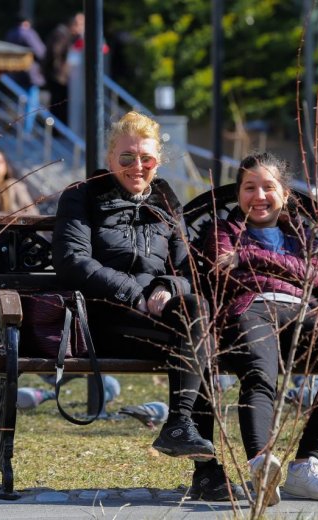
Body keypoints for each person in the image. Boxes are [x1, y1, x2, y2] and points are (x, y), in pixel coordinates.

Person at [52, 112, 242, 500]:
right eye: (127, 158)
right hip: (103, 319)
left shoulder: (165, 197)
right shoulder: (81, 195)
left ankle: (180, 428)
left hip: (160, 322)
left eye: (146, 159)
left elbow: (187, 265)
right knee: (198, 336)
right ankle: (204, 468)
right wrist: (133, 292)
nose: (137, 167)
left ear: (157, 162)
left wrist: (169, 286)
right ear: (110, 158)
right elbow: (73, 261)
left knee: (197, 314)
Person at [201, 152, 318, 504]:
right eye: (249, 187)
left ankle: (306, 464)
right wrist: (283, 268)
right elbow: (222, 272)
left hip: (298, 314)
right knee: (260, 371)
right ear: (237, 193)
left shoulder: (300, 232)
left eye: (268, 187)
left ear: (285, 194)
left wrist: (248, 257)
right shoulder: (224, 230)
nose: (259, 196)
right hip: (250, 310)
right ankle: (262, 465)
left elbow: (313, 274)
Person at [4, 14, 46, 133]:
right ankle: (26, 130)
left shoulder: (10, 33)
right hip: (29, 73)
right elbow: (41, 52)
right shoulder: (28, 33)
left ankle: (18, 127)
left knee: (19, 102)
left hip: (14, 72)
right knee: (31, 103)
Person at [43, 13, 83, 123]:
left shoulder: (65, 34)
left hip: (59, 77)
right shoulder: (61, 34)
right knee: (58, 106)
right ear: (73, 24)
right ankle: (57, 133)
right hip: (58, 78)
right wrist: (61, 70)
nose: (81, 28)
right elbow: (55, 52)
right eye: (80, 24)